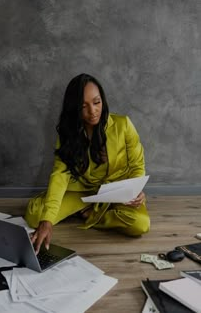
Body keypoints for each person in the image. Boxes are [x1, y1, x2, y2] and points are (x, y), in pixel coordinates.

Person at [25, 73, 150, 253]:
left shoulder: (124, 125)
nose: (92, 111)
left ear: (103, 100)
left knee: (140, 224)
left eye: (96, 102)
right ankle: (85, 207)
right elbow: (60, 174)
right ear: (74, 109)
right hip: (82, 191)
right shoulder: (68, 133)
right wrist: (47, 221)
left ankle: (90, 214)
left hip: (116, 191)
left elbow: (137, 165)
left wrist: (136, 190)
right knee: (35, 215)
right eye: (84, 106)